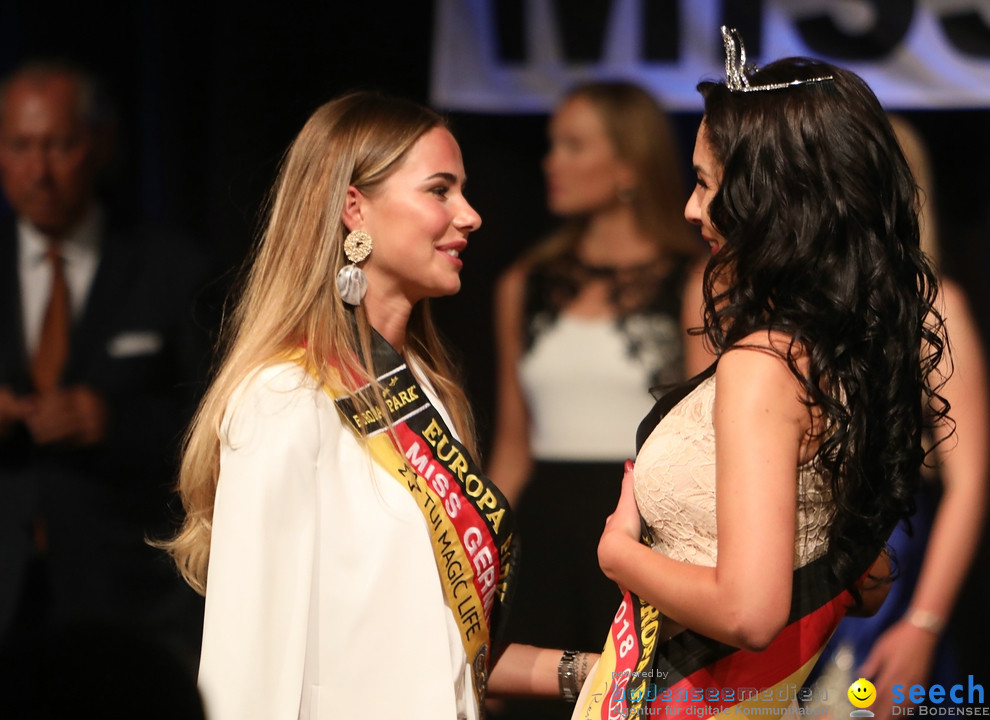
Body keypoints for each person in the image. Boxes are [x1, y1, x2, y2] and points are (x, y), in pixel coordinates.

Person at [164, 90, 600, 720]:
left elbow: (437, 648)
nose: (471, 215)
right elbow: (245, 667)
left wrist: (587, 671)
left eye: (463, 190)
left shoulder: (424, 389)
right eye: (440, 190)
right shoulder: (285, 398)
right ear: (354, 209)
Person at [572, 29, 948, 719]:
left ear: (774, 203)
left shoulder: (763, 367)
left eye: (707, 185)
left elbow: (750, 614)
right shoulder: (834, 354)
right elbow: (867, 584)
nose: (690, 208)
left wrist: (617, 552)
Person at [488, 81, 709, 718]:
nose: (550, 161)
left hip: (638, 530)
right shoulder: (525, 283)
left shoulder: (692, 282)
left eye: (573, 145)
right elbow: (512, 445)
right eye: (553, 144)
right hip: (540, 537)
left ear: (627, 163)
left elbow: (701, 443)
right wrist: (480, 557)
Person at [0, 60, 208, 674]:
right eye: (20, 146)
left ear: (100, 143)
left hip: (125, 601)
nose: (39, 171)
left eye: (59, 145)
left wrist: (111, 421)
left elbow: (214, 428)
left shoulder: (172, 269)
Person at [804, 115, 990, 716]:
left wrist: (923, 623)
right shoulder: (788, 306)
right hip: (791, 580)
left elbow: (968, 485)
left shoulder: (934, 308)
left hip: (885, 585)